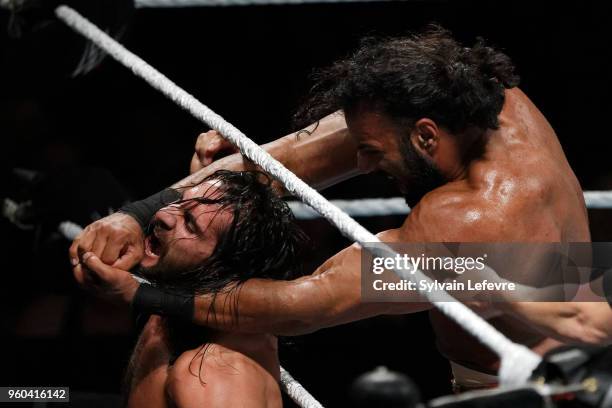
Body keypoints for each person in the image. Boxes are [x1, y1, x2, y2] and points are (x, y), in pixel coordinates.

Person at [70, 27, 612, 391]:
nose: (360, 162)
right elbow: (295, 159)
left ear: (424, 137)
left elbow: (307, 304)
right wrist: (140, 214)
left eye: (373, 154)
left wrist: (145, 294)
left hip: (526, 381)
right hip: (580, 309)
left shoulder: (466, 221)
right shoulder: (487, 97)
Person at [76, 170, 306, 407]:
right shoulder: (186, 293)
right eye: (180, 202)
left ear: (219, 269)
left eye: (189, 224)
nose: (163, 214)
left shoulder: (213, 375)